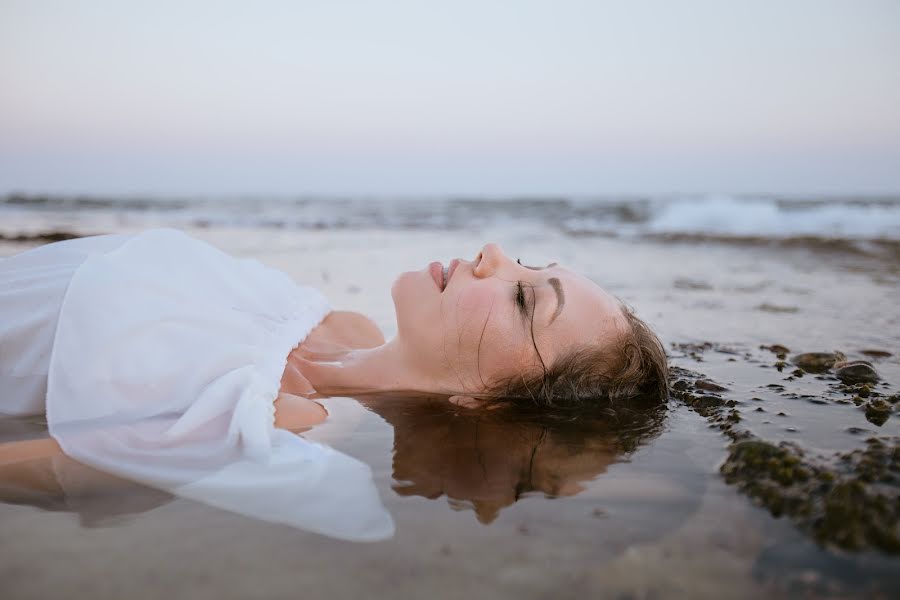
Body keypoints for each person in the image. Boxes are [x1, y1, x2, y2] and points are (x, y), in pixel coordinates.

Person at [0, 227, 667, 536]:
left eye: (525, 301)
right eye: (526, 265)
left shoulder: (289, 420)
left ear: (485, 397)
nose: (494, 253)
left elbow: (57, 466)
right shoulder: (340, 323)